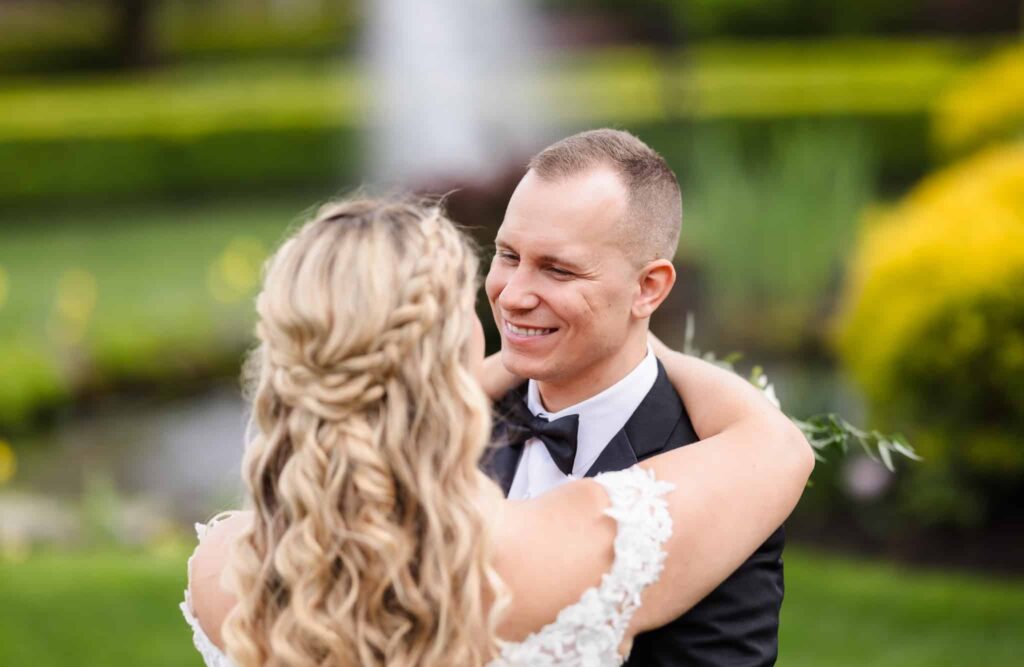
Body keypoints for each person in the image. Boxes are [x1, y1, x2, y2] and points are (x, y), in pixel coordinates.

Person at [181, 197, 813, 667]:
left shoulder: (224, 572)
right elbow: (775, 446)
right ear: (448, 358)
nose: (507, 303)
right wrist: (637, 332)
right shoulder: (553, 550)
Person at [483, 128, 789, 666]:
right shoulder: (449, 425)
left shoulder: (721, 481)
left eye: (558, 269)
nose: (512, 295)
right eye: (508, 255)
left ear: (648, 288)